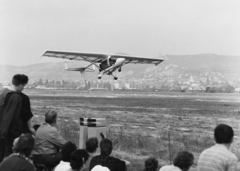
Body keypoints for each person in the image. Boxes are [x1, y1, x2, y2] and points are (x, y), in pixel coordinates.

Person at [0, 74, 29, 162]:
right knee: (7, 155)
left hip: (1, 129)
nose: (23, 88)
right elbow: (10, 116)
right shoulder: (16, 97)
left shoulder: (2, 92)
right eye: (24, 86)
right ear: (20, 85)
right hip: (8, 132)